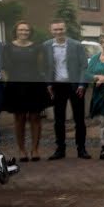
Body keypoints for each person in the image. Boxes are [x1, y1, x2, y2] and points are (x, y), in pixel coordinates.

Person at [2, 21, 50, 161]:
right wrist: (7, 83)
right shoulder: (8, 47)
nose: (24, 32)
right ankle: (21, 150)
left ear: (30, 32)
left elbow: (43, 66)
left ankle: (35, 149)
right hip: (16, 86)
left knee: (35, 117)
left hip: (34, 86)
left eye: (26, 30)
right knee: (19, 118)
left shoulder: (37, 47)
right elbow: (4, 67)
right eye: (21, 30)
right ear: (16, 31)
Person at [42, 20, 91, 159]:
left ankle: (81, 149)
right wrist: (48, 84)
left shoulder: (76, 45)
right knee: (58, 120)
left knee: (79, 119)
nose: (59, 32)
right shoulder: (46, 46)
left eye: (61, 29)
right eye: (55, 30)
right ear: (51, 30)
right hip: (58, 87)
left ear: (65, 29)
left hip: (75, 86)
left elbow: (84, 66)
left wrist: (82, 84)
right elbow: (45, 67)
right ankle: (60, 149)